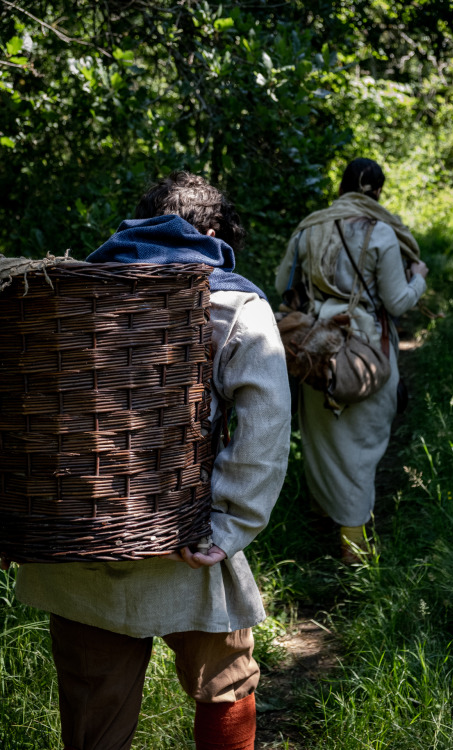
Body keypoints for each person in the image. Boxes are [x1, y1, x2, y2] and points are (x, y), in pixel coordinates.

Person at [13, 171, 291, 750]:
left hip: (73, 538)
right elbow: (266, 423)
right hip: (183, 540)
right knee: (227, 683)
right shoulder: (234, 300)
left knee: (95, 715)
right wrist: (230, 525)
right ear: (213, 232)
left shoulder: (59, 297)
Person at [275, 157, 428, 562]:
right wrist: (420, 278)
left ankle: (322, 516)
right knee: (359, 447)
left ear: (342, 186)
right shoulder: (380, 232)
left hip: (318, 348)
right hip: (365, 351)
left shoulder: (309, 227)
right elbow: (396, 302)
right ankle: (353, 547)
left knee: (324, 441)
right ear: (377, 191)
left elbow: (281, 284)